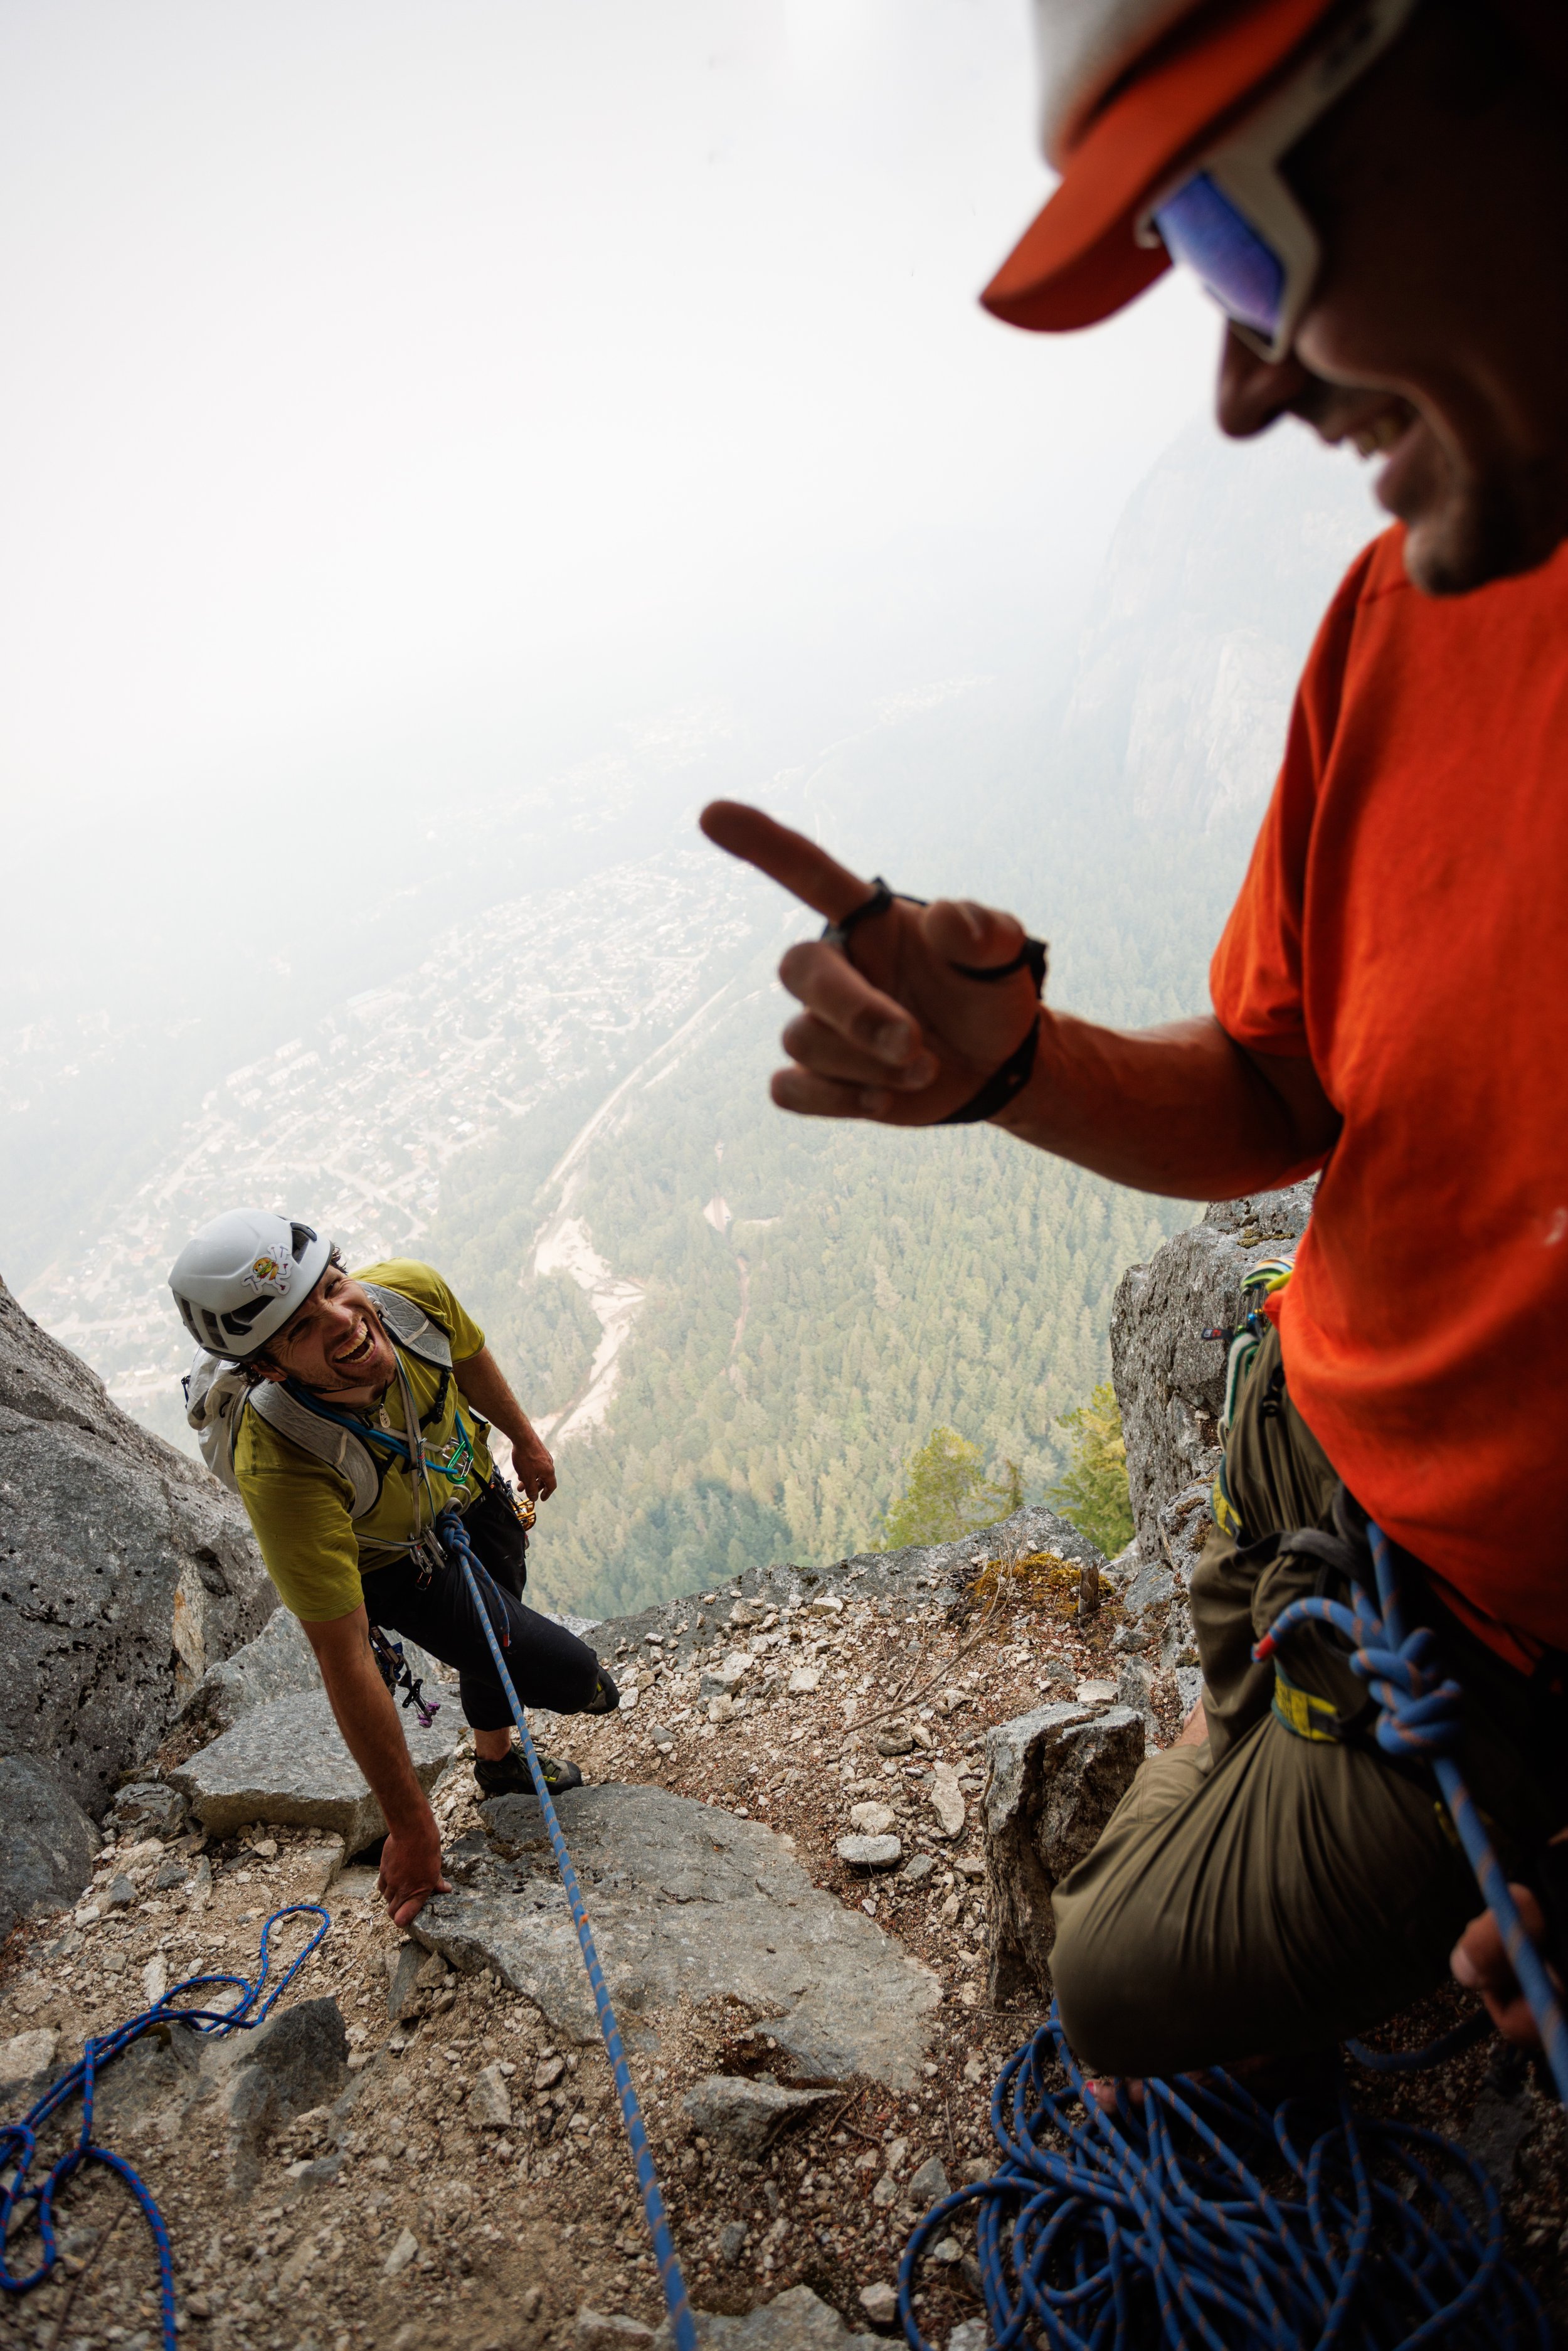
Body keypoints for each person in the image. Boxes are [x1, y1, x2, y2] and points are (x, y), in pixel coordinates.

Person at [701, 0, 1568, 2080]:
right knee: (1220, 1713)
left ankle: (1326, 1758)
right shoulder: (1407, 612)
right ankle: (1263, 1697)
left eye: (1243, 233)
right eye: (1198, 253)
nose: (1245, 379)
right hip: (1317, 1408)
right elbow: (1281, 1081)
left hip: (1492, 1625)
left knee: (1113, 1981)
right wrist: (1015, 1062)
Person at [169, 1210, 618, 1927]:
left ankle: (497, 1762)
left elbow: (468, 1359)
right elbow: (343, 1654)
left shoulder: (408, 1298)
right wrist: (411, 1830)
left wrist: (526, 1443)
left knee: (496, 1622)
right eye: (298, 1327)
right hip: (394, 1563)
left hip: (471, 1495)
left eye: (332, 1285)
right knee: (579, 1681)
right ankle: (512, 1740)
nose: (341, 1318)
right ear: (267, 1367)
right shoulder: (281, 1463)